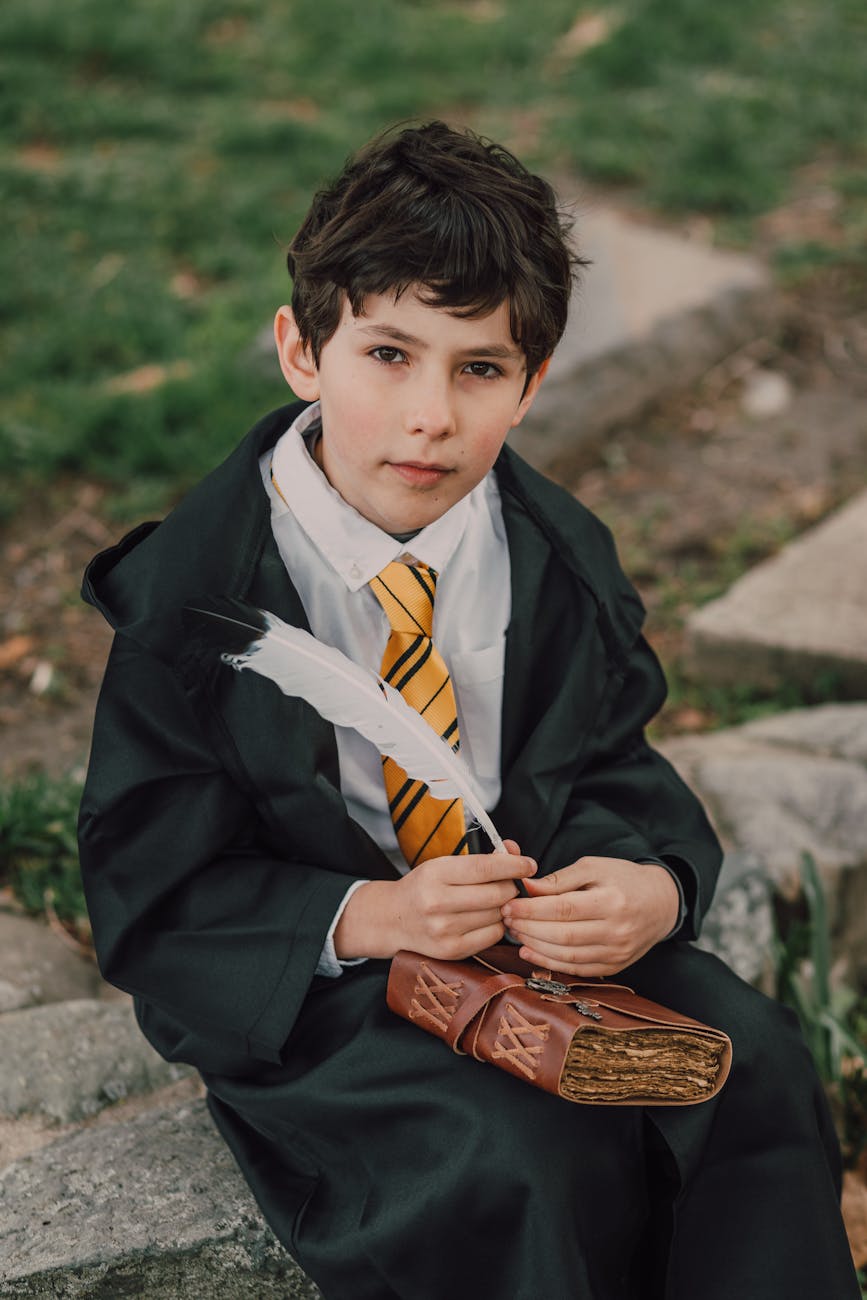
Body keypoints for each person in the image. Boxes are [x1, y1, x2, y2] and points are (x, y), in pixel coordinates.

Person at [77, 121, 859, 1299]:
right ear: (302, 349)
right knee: (508, 1158)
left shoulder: (553, 559)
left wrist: (646, 883)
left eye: (478, 368)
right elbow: (154, 890)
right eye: (389, 355)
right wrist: (375, 913)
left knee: (744, 1070)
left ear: (534, 383)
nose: (430, 415)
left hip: (539, 954)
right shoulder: (199, 607)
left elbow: (606, 763)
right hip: (330, 989)